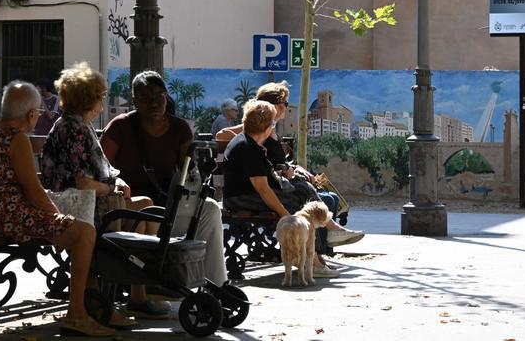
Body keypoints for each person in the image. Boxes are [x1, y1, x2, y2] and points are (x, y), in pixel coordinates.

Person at [0, 81, 113, 337]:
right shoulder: (17, 139)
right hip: (8, 218)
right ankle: (76, 313)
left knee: (76, 228)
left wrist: (57, 221)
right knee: (85, 233)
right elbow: (34, 193)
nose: (40, 117)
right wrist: (60, 219)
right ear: (30, 115)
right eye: (39, 113)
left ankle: (81, 307)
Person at [39, 62, 157, 323]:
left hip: (91, 202)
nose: (103, 101)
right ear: (89, 99)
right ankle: (112, 295)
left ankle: (131, 292)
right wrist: (111, 187)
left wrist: (118, 180)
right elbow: (82, 182)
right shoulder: (74, 128)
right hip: (80, 205)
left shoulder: (77, 124)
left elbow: (102, 168)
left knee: (145, 207)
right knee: (144, 211)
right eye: (101, 96)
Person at [100, 71, 228, 293]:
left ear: (167, 97)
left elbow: (189, 170)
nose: (154, 102)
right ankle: (150, 284)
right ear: (134, 100)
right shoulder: (120, 127)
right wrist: (117, 181)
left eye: (159, 95)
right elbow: (101, 169)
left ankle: (216, 286)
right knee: (149, 207)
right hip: (134, 209)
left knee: (209, 209)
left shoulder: (179, 129)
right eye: (145, 97)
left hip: (168, 205)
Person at [217, 82, 363, 249]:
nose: (286, 108)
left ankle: (323, 247)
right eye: (284, 104)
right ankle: (316, 252)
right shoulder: (253, 136)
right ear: (274, 106)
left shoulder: (265, 134)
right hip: (248, 193)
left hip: (267, 184)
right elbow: (262, 181)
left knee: (319, 195)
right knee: (307, 197)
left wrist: (293, 168)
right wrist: (287, 216)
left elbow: (273, 164)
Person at [223, 100, 352, 278]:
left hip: (247, 194)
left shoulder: (249, 142)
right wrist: (286, 216)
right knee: (300, 204)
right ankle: (313, 258)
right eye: (273, 123)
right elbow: (263, 190)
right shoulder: (248, 147)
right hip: (241, 198)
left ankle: (316, 254)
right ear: (268, 127)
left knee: (303, 190)